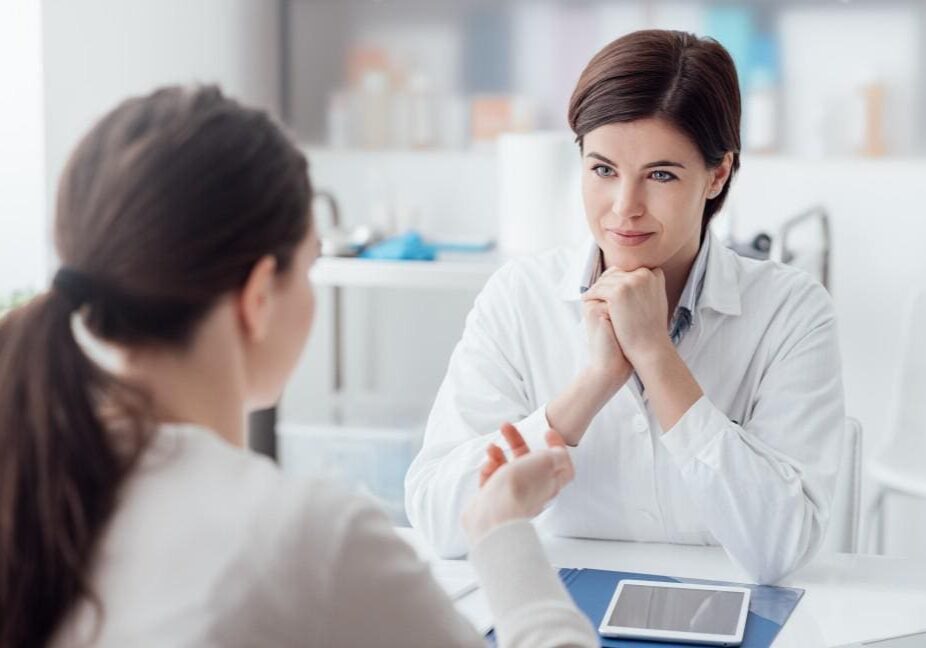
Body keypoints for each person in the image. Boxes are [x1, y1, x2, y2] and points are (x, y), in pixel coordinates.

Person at [0, 86, 597, 648]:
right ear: (258, 296)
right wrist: (500, 532)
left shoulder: (32, 482)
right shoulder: (308, 539)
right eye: (310, 266)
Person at [405, 29, 845, 585]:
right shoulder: (517, 298)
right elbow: (441, 523)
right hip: (557, 613)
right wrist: (593, 383)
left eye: (660, 175)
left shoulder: (791, 311)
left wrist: (656, 356)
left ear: (718, 174)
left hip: (727, 607)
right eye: (603, 169)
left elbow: (780, 549)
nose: (624, 207)